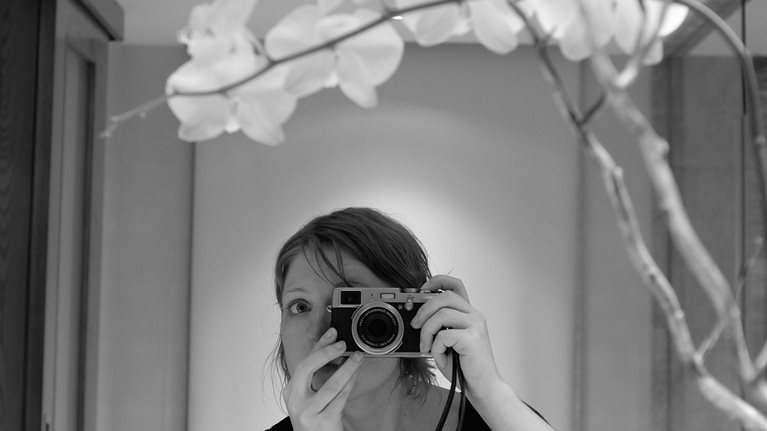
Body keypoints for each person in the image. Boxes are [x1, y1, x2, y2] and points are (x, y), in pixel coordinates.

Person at [267, 207, 553, 431]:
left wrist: (488, 391)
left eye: (350, 305)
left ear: (410, 313)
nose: (318, 332)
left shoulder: (497, 420)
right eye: (300, 307)